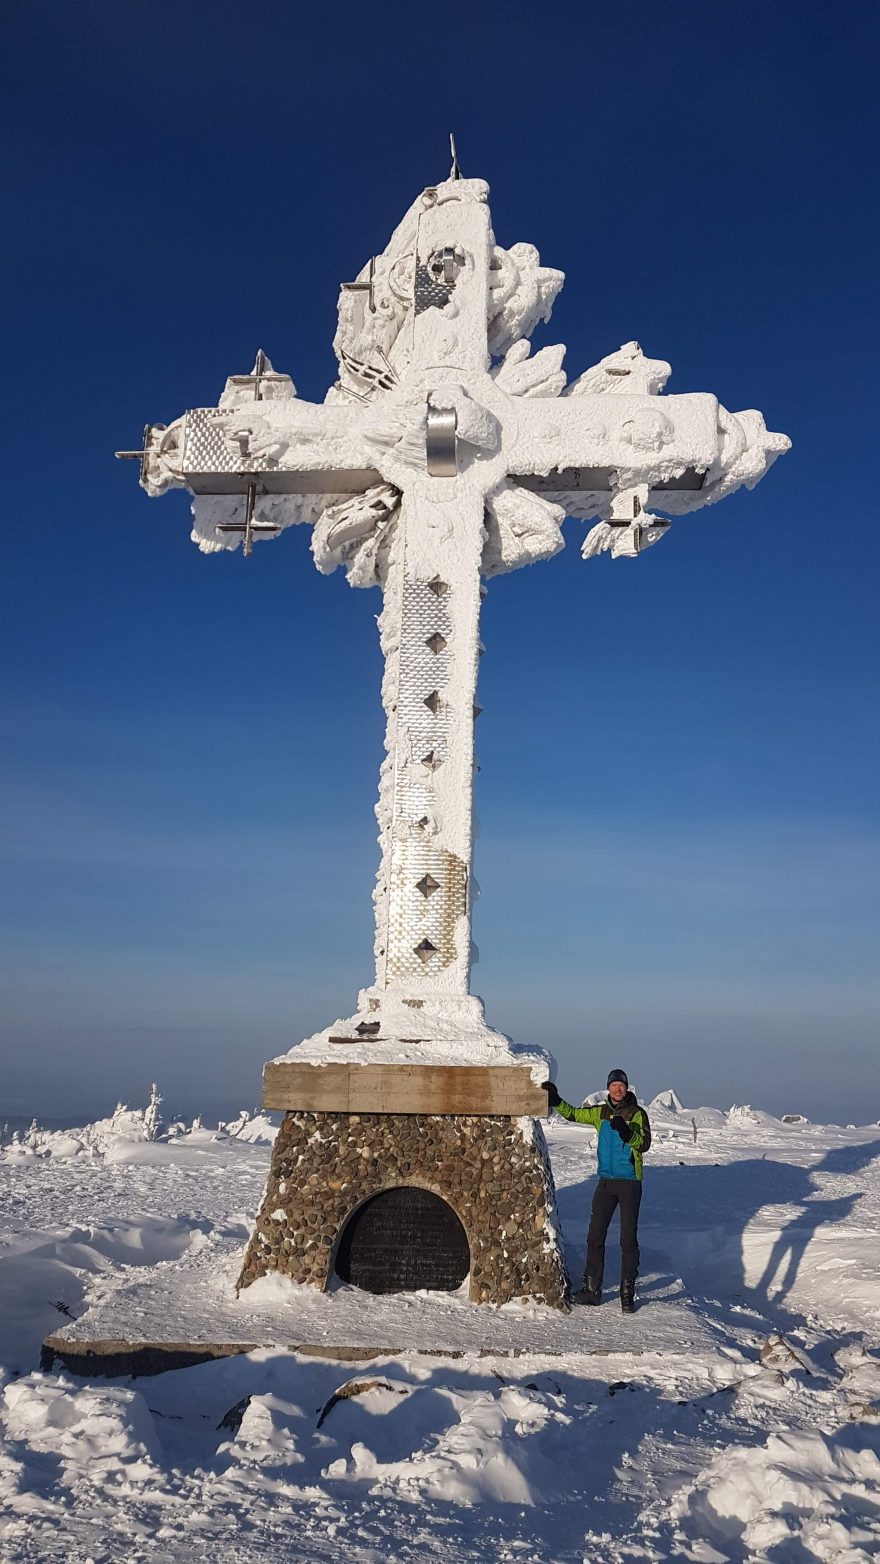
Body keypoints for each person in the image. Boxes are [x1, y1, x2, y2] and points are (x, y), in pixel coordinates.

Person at [541, 1069, 647, 1313]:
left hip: (630, 1182)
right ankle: (592, 1290)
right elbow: (575, 1115)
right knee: (595, 1236)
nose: (617, 1089)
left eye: (621, 1085)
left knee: (627, 1239)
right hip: (606, 1182)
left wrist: (626, 1132)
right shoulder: (601, 1112)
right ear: (608, 1088)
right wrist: (557, 1101)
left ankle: (627, 1293)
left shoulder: (637, 1114)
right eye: (614, 1085)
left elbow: (644, 1144)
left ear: (627, 1088)